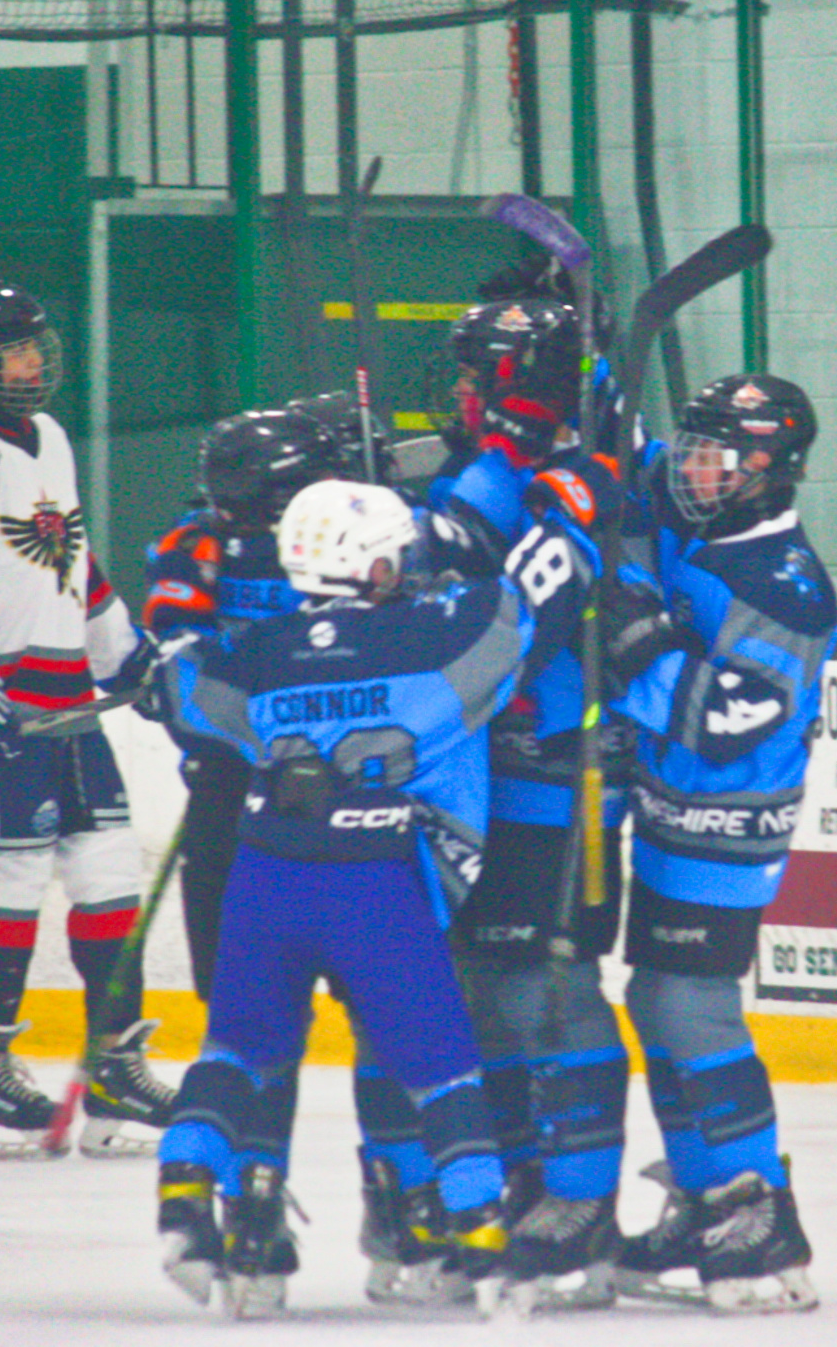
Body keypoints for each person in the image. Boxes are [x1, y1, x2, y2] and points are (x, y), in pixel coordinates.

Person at [145, 475, 599, 1318]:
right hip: (376, 881)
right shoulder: (441, 633)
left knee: (234, 1053)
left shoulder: (254, 649)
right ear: (378, 566)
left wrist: (168, 637)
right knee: (442, 1068)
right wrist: (570, 507)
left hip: (265, 872)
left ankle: (183, 1207)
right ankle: (484, 1245)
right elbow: (546, 593)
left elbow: (177, 689)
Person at [0, 280, 174, 1160]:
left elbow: (72, 563)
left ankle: (115, 1067)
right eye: (13, 351)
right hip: (6, 706)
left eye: (34, 347)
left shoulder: (48, 437)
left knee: (110, 871)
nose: (32, 363)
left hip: (72, 707)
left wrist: (126, 656)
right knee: (8, 881)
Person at [416, 295, 637, 1312]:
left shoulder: (588, 474)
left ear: (516, 387)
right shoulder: (502, 471)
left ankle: (581, 1201)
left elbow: (514, 624)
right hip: (484, 770)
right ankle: (521, 1178)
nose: (461, 393)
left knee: (550, 986)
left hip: (563, 766)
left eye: (478, 375)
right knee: (479, 980)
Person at [603, 373, 836, 1314]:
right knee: (656, 999)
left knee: (691, 1006)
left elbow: (721, 720)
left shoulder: (786, 589)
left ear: (769, 469)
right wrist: (598, 366)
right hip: (671, 814)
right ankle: (706, 1203)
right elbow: (633, 460)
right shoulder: (705, 517)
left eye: (715, 457)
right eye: (693, 449)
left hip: (731, 819)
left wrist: (635, 644)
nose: (691, 470)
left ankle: (758, 1214)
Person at [141, 407, 345, 1000]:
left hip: (333, 780)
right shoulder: (192, 545)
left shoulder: (347, 539)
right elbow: (181, 662)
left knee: (363, 981)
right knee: (235, 986)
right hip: (233, 778)